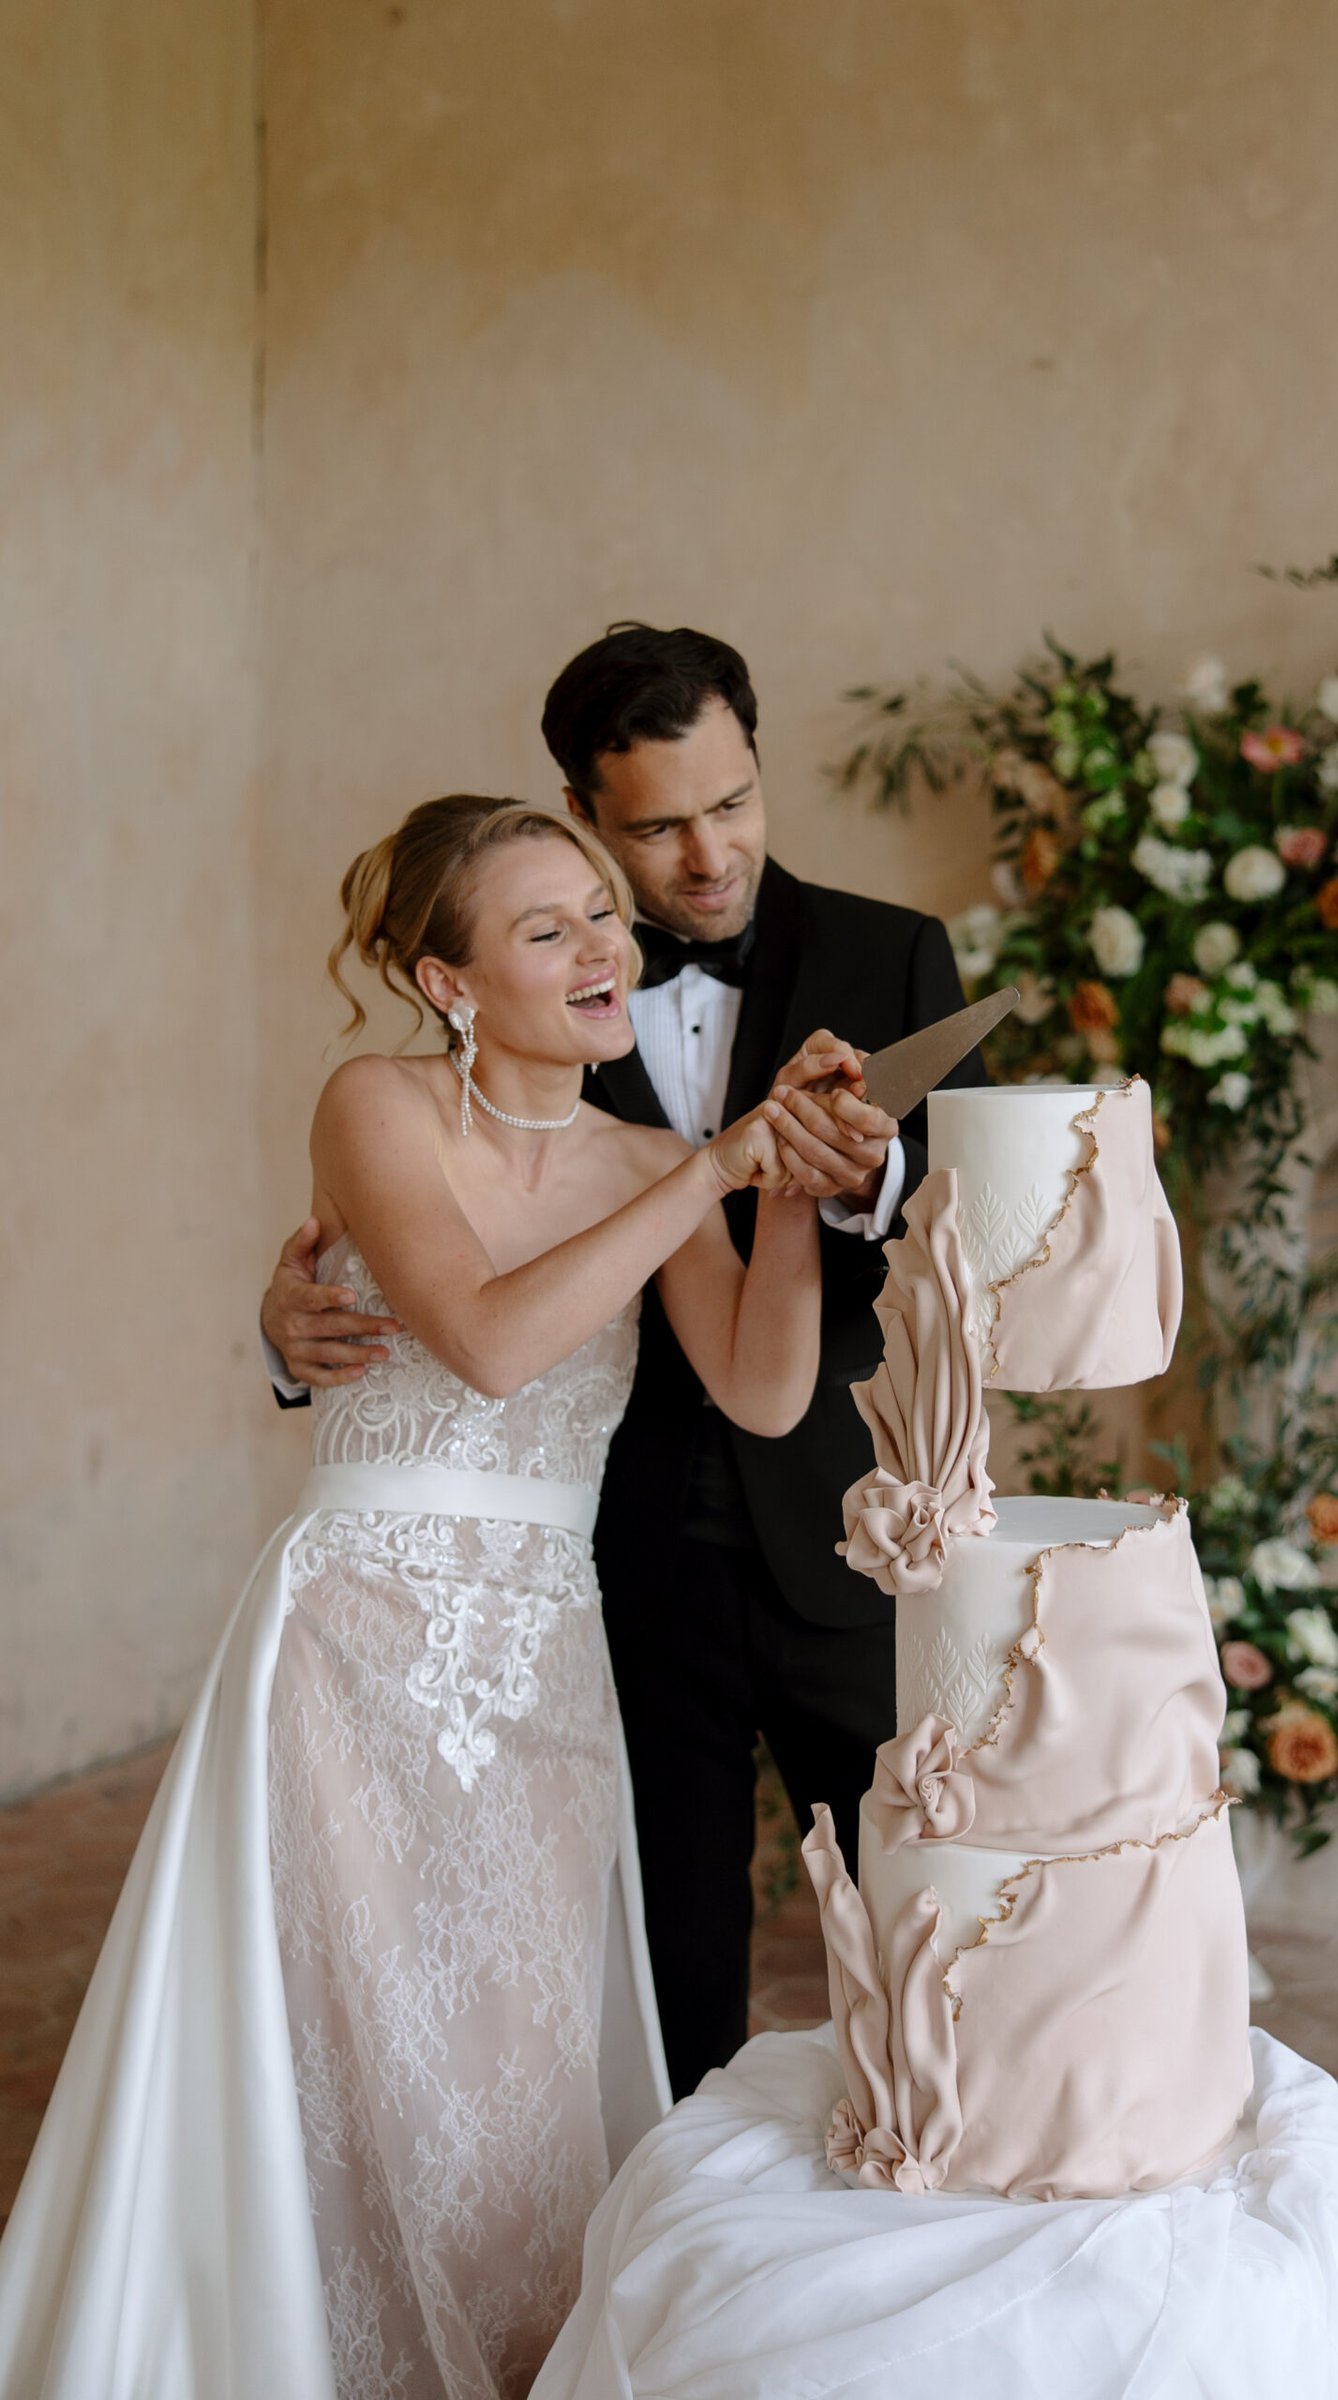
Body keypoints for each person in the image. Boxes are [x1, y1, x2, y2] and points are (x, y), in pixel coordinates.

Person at [0, 797, 851, 2400]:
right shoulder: (373, 1105)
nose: (605, 946)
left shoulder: (657, 1158)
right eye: (552, 929)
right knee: (345, 2043)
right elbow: (487, 1338)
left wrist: (780, 1187)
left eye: (603, 915)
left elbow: (759, 1389)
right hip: (351, 1645)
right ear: (451, 982)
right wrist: (713, 1170)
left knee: (516, 2065)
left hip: (542, 1656)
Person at [264, 627, 983, 2097]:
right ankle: (659, 2274)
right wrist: (288, 1334)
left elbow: (978, 1242)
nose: (706, 856)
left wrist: (830, 1181)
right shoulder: (418, 1082)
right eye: (654, 829)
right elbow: (436, 1291)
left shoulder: (887, 954)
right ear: (585, 813)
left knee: (930, 1932)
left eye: (732, 803)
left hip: (836, 1528)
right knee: (638, 1985)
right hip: (607, 1572)